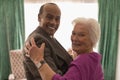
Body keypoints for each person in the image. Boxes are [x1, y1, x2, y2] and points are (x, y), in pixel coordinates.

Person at [25, 17, 104, 80]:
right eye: (73, 33)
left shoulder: (82, 62)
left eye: (81, 35)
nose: (75, 38)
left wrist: (38, 60)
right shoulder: (93, 59)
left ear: (93, 39)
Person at [23, 3, 73, 80]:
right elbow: (53, 75)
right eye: (49, 17)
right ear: (39, 18)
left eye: (57, 19)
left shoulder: (49, 37)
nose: (53, 22)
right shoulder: (37, 40)